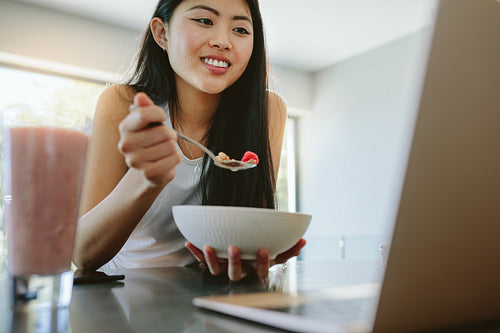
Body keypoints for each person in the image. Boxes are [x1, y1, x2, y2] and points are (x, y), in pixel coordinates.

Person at [72, 0, 306, 282]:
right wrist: (146, 178)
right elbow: (83, 254)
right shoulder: (123, 104)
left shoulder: (268, 111)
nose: (223, 41)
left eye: (241, 29)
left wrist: (253, 258)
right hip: (123, 293)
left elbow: (250, 231)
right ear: (162, 34)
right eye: (205, 21)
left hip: (209, 293)